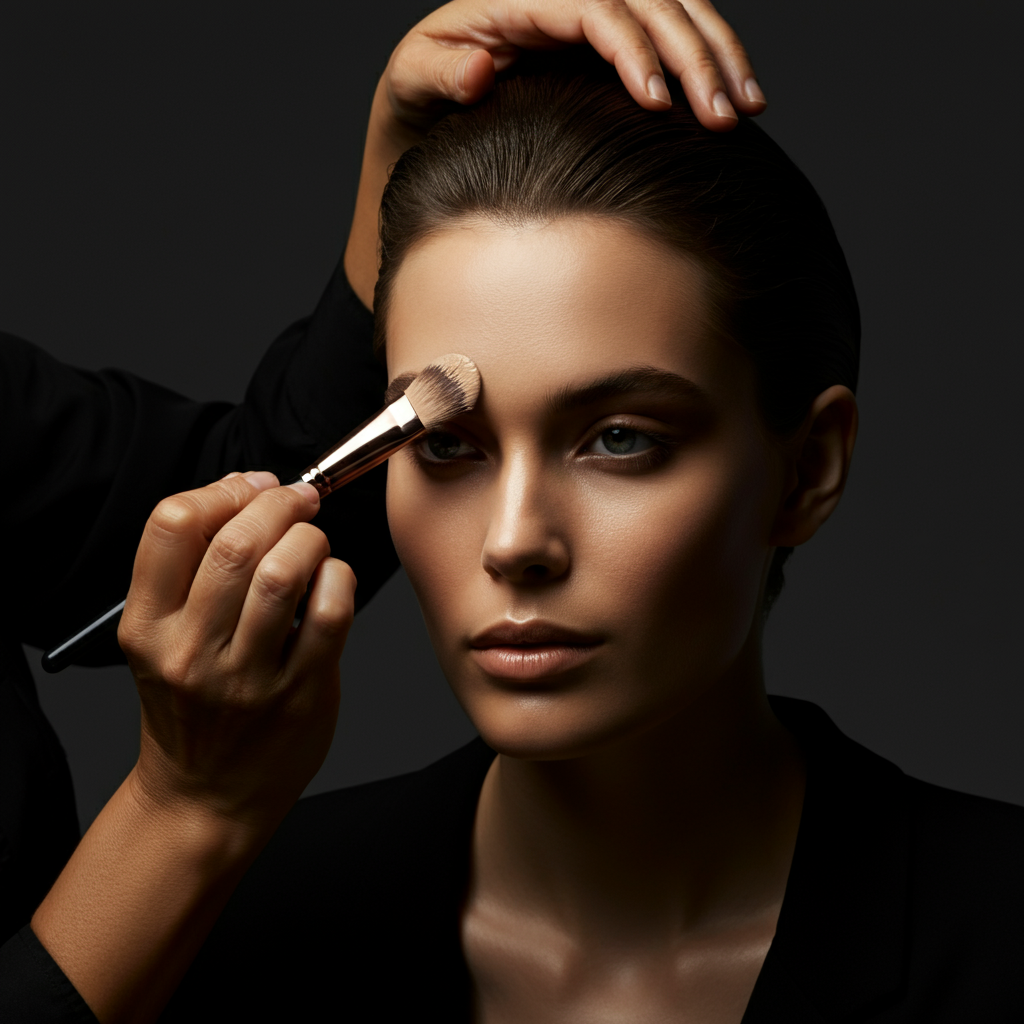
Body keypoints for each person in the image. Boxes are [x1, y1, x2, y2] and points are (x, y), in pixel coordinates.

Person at [3, 3, 1020, 1023]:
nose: (514, 541)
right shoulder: (222, 942)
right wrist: (181, 815)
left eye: (621, 438)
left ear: (807, 470)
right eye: (444, 445)